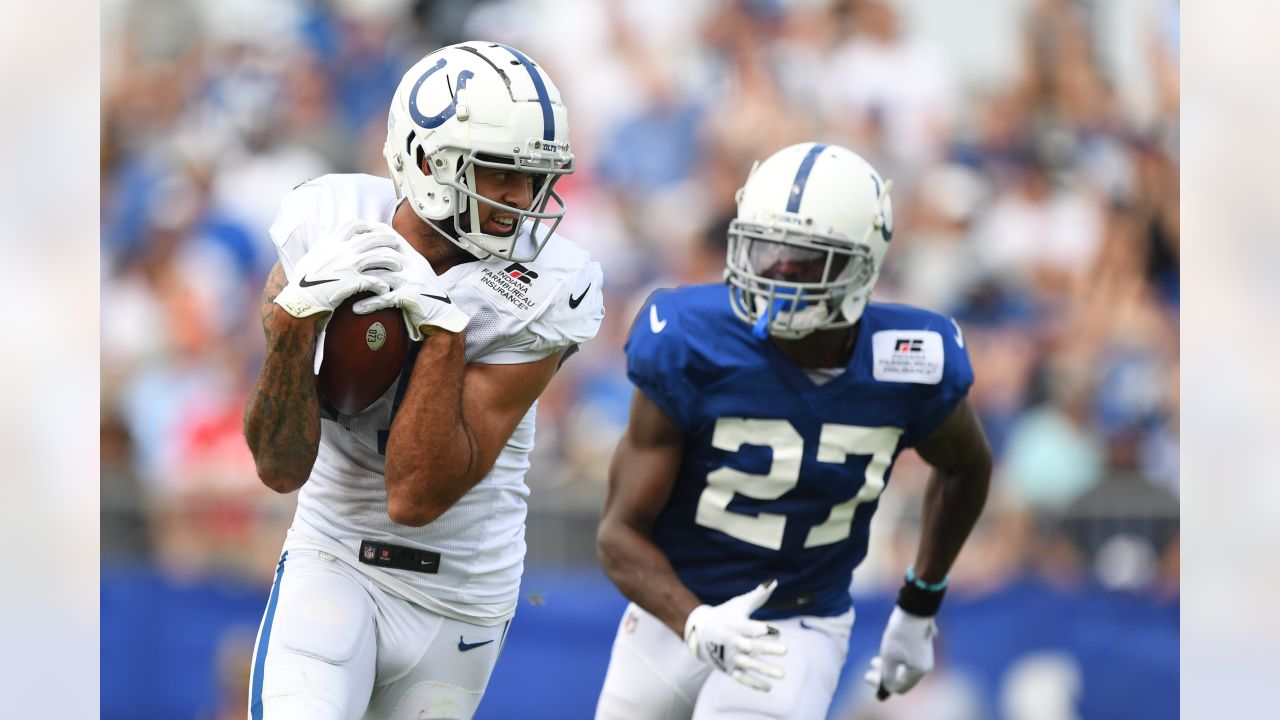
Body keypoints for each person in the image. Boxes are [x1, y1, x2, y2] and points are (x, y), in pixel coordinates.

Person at [242, 41, 604, 720]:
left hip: (459, 593)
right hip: (334, 556)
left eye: (534, 179)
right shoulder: (327, 220)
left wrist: (442, 331)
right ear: (428, 160)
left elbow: (417, 495)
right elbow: (277, 466)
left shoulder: (550, 283)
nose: (522, 200)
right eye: (499, 174)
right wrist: (293, 325)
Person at [595, 142, 991, 719]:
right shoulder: (689, 337)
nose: (777, 272)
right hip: (671, 613)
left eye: (804, 260)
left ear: (861, 265)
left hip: (797, 623)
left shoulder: (911, 357)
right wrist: (694, 619)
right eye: (764, 250)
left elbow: (968, 466)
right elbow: (617, 533)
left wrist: (919, 603)